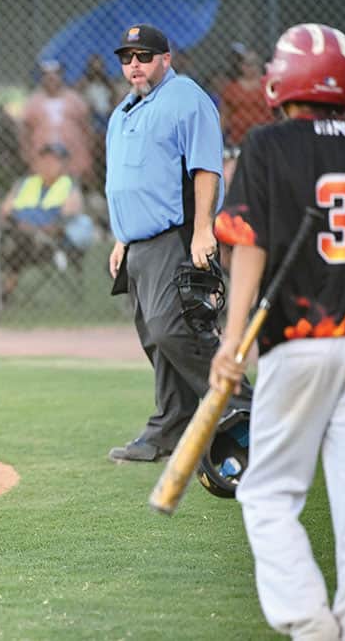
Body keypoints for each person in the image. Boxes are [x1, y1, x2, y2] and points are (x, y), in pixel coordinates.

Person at [210, 22, 345, 641]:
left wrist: (232, 344)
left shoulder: (266, 144)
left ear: (280, 82)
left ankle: (311, 622)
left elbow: (248, 245)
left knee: (267, 493)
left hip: (299, 343)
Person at [104, 23, 250, 463]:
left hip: (176, 236)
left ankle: (246, 412)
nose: (134, 64)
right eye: (127, 57)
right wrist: (120, 238)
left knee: (178, 329)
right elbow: (124, 181)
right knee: (156, 337)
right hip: (137, 244)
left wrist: (204, 229)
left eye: (144, 56)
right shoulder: (124, 111)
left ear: (166, 59)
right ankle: (169, 428)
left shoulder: (185, 97)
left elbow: (206, 167)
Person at [0, 142, 95, 296]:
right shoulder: (24, 183)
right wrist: (19, 224)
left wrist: (35, 228)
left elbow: (66, 218)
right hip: (16, 233)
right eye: (44, 159)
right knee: (9, 240)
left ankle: (0, 294)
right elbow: (4, 211)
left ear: (64, 165)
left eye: (54, 160)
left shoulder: (69, 186)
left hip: (47, 242)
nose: (48, 164)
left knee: (17, 243)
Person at [19, 59, 94, 184]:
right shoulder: (33, 101)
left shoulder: (74, 99)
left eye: (55, 74)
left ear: (61, 76)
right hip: (43, 154)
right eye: (47, 75)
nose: (51, 78)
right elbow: (24, 129)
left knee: (73, 184)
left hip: (73, 155)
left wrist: (89, 149)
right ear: (41, 78)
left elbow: (86, 126)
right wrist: (26, 152)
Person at [220, 50, 274, 147]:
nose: (250, 68)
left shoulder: (268, 86)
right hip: (238, 139)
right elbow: (224, 116)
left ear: (259, 65)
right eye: (246, 64)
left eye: (253, 63)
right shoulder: (232, 88)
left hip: (265, 138)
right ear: (241, 66)